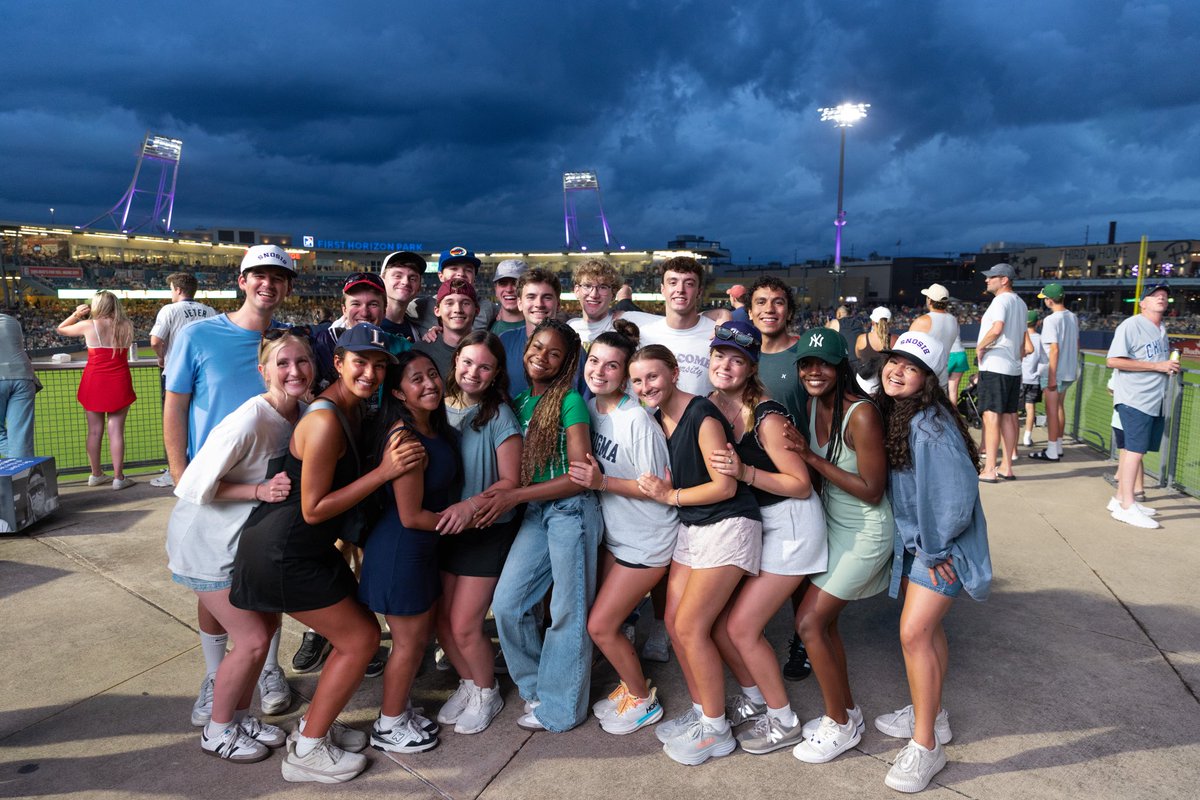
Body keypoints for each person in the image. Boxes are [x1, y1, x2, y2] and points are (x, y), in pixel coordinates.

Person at [230, 323, 423, 783]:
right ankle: (308, 751)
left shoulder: (352, 409)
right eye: (361, 362)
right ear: (337, 363)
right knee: (359, 640)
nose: (371, 373)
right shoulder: (324, 419)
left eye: (380, 365)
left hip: (307, 549)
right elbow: (313, 509)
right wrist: (384, 471)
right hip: (285, 550)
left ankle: (312, 728)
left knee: (358, 635)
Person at [163, 244, 300, 724]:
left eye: (278, 278)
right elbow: (175, 404)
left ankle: (266, 670)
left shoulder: (286, 344)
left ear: (286, 288)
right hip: (217, 486)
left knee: (263, 583)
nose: (268, 284)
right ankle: (216, 674)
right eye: (259, 275)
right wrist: (181, 473)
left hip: (270, 488)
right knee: (214, 586)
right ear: (241, 281)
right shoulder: (200, 335)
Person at [166, 329, 314, 763]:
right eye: (283, 363)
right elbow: (192, 485)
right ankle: (217, 729)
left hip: (240, 546)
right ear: (263, 369)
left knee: (264, 631)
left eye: (302, 361)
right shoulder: (249, 419)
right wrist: (260, 491)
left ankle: (239, 715)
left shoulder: (302, 412)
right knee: (251, 640)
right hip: (206, 545)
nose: (294, 371)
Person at [628, 343, 763, 766]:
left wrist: (670, 495)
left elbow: (725, 486)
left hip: (728, 522)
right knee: (671, 620)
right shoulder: (658, 417)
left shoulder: (702, 415)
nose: (645, 385)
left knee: (689, 626)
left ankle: (717, 730)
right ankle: (705, 710)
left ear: (673, 372)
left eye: (653, 376)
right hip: (694, 524)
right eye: (637, 380)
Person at [872, 331, 992, 793]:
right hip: (921, 543)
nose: (897, 371)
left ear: (928, 379)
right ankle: (933, 715)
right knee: (929, 631)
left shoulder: (928, 424)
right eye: (894, 362)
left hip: (938, 549)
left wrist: (936, 548)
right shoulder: (903, 413)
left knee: (913, 632)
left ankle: (925, 747)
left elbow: (956, 495)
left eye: (911, 367)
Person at [702, 321, 827, 756]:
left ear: (751, 367)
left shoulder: (768, 416)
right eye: (720, 355)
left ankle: (785, 720)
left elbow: (801, 483)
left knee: (741, 627)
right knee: (718, 625)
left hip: (791, 525)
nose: (726, 365)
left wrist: (746, 472)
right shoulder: (712, 405)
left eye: (737, 360)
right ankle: (755, 699)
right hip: (757, 521)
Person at [488, 319, 603, 733]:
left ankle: (562, 709)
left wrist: (513, 496)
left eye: (554, 353)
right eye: (537, 347)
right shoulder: (518, 402)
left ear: (566, 361)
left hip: (570, 510)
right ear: (525, 349)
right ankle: (538, 689)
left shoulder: (569, 400)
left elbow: (577, 475)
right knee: (508, 604)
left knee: (567, 612)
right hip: (537, 512)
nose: (542, 356)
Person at [787, 328, 894, 765]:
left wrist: (812, 459)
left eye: (824, 363)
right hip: (834, 526)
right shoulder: (814, 404)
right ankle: (845, 711)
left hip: (867, 531)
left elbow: (872, 489)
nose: (815, 371)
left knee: (809, 623)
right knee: (824, 626)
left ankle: (841, 724)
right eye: (807, 364)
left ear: (840, 367)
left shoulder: (861, 414)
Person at [567, 320, 677, 735]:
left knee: (601, 625)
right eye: (594, 360)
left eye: (612, 366)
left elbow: (656, 490)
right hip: (619, 535)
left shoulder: (637, 422)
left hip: (648, 539)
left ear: (625, 374)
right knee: (602, 620)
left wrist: (603, 483)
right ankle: (631, 687)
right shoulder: (592, 407)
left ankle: (643, 701)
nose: (599, 371)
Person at [359, 351, 462, 754]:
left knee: (416, 641)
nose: (430, 384)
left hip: (420, 551)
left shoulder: (432, 427)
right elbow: (411, 515)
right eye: (416, 379)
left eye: (433, 375)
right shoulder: (405, 438)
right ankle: (387, 725)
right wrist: (465, 519)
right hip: (402, 551)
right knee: (407, 645)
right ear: (399, 393)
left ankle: (398, 710)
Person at [434, 331, 522, 735]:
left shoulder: (497, 414)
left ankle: (488, 691)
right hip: (443, 529)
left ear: (495, 373)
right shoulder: (437, 406)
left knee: (466, 623)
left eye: (484, 366)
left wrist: (471, 506)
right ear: (455, 362)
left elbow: (511, 481)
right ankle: (469, 683)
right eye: (467, 362)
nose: (474, 372)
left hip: (485, 527)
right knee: (442, 623)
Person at [746, 276, 813, 682]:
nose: (769, 309)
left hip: (800, 475)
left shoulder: (802, 352)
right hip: (753, 480)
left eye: (777, 302)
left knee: (803, 569)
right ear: (750, 310)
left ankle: (802, 641)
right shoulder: (743, 355)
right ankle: (750, 636)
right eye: (761, 302)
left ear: (789, 309)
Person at [1106, 284, 1180, 529]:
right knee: (1134, 451)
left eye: (1164, 296)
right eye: (1155, 295)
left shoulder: (1161, 328)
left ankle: (1119, 500)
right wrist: (1157, 366)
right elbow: (1113, 360)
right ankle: (1128, 506)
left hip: (1152, 399)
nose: (1161, 298)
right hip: (1134, 398)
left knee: (1132, 450)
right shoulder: (1131, 325)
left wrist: (1166, 365)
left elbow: (1155, 361)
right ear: (1143, 302)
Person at [57, 291, 137, 490]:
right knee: (116, 431)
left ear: (96, 305)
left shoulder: (88, 324)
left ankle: (96, 474)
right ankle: (119, 478)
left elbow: (61, 329)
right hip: (119, 380)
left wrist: (76, 314)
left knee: (94, 431)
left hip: (94, 380)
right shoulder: (127, 325)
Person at [148, 273, 216, 488]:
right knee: (201, 420)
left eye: (171, 289)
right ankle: (203, 467)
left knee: (175, 422)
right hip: (205, 375)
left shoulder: (169, 310)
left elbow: (155, 340)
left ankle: (175, 472)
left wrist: (161, 358)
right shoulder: (209, 310)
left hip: (176, 375)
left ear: (177, 290)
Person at [621, 257, 718, 396]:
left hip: (703, 416)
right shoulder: (644, 336)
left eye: (689, 284)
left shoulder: (716, 333)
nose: (680, 289)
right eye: (673, 283)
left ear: (700, 291)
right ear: (662, 289)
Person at [312, 272, 411, 391]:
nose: (364, 313)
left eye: (373, 304)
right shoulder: (321, 345)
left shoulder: (403, 347)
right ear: (344, 309)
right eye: (356, 304)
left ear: (384, 310)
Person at [974, 263, 1026, 483]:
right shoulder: (1021, 303)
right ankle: (1006, 467)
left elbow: (997, 329)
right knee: (1007, 416)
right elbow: (1023, 340)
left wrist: (980, 346)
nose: (987, 280)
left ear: (1004, 279)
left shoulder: (1001, 300)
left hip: (996, 364)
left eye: (991, 277)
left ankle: (989, 469)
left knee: (991, 416)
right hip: (1012, 367)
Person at [1029, 283, 1079, 462]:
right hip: (1068, 370)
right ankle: (1057, 446)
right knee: (1059, 408)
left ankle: (1051, 450)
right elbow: (1076, 344)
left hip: (1055, 371)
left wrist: (1051, 376)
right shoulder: (1072, 317)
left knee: (1051, 410)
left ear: (1050, 300)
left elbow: (1054, 349)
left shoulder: (1051, 320)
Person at [413, 247, 497, 333]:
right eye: (453, 268)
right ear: (440, 275)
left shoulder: (489, 308)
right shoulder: (419, 306)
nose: (461, 274)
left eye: (468, 270)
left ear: (474, 277)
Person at [414, 279, 478, 378]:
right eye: (449, 303)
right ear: (437, 311)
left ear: (477, 310)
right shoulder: (420, 351)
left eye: (465, 303)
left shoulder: (486, 351)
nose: (458, 310)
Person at [908, 284, 964, 396]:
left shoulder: (923, 320)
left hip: (924, 375)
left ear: (930, 300)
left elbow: (907, 350)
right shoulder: (953, 320)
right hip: (941, 374)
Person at [0, 309, 38, 458]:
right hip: (24, 377)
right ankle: (27, 471)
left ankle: (29, 466)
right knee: (21, 435)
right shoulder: (12, 322)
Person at [567, 258, 621, 347]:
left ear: (613, 293)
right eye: (587, 286)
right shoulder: (570, 327)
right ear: (577, 291)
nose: (594, 294)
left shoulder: (620, 329)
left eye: (602, 287)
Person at [378, 251, 429, 343]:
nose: (405, 282)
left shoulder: (418, 331)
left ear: (419, 287)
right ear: (382, 280)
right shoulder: (363, 325)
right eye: (398, 276)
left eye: (413, 278)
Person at [1019, 310, 1047, 448]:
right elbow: (1044, 361)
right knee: (1030, 409)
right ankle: (1027, 437)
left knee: (1011, 410)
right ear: (1037, 323)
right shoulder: (1041, 338)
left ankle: (1010, 441)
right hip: (1033, 379)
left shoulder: (1019, 336)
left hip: (1018, 378)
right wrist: (1038, 373)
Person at [855, 306, 897, 389]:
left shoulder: (862, 338)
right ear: (890, 322)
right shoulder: (895, 339)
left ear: (873, 322)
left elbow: (858, 356)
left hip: (863, 383)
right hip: (885, 384)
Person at [489, 259, 528, 335]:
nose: (509, 289)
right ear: (496, 289)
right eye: (503, 283)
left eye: (516, 283)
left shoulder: (539, 329)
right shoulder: (487, 326)